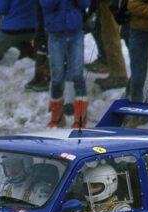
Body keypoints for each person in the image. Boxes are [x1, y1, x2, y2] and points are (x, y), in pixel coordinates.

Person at [41, 0, 91, 128]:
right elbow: (46, 5)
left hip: (76, 33)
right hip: (55, 35)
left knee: (78, 75)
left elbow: (86, 4)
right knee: (57, 77)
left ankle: (81, 119)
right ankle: (57, 118)